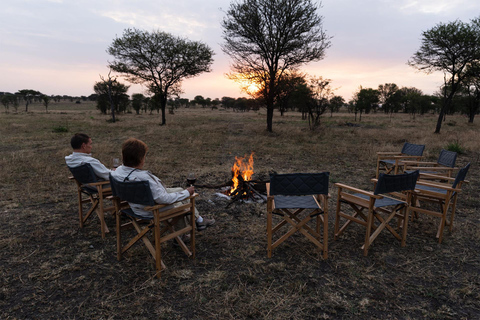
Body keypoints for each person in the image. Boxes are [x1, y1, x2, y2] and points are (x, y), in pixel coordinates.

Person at [111, 138, 215, 231]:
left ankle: (199, 220)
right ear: (140, 159)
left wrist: (184, 193)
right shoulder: (143, 178)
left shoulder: (117, 172)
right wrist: (187, 192)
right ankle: (181, 235)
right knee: (181, 203)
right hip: (150, 209)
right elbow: (164, 199)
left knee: (179, 189)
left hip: (137, 204)